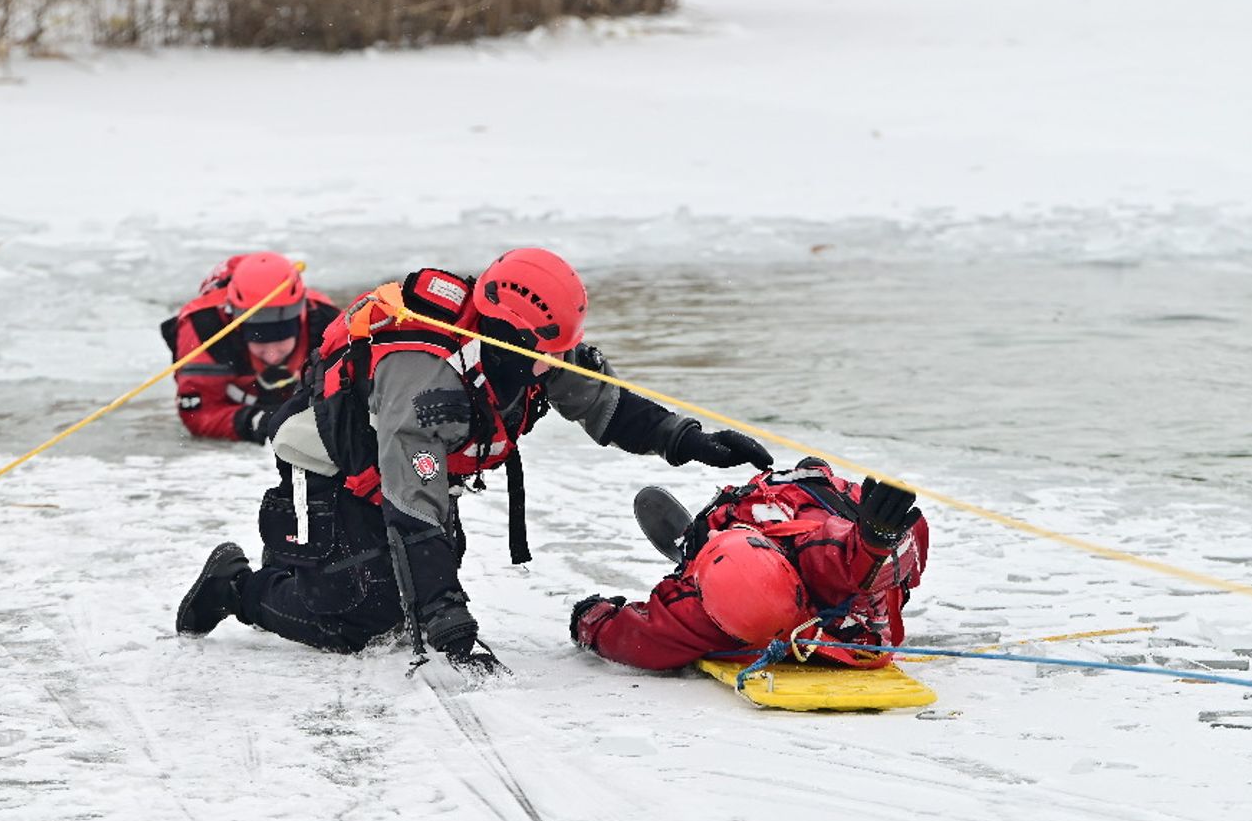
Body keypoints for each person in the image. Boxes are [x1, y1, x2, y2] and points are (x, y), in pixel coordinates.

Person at [175, 247, 774, 666]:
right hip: (331, 461)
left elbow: (605, 405)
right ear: (513, 337)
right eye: (551, 352)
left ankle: (385, 596)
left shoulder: (529, 352)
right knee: (357, 611)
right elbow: (415, 501)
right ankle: (234, 588)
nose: (559, 363)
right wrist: (447, 619)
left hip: (406, 464)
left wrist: (692, 441)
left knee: (408, 592)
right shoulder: (430, 383)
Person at [570, 458, 930, 670]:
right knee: (864, 555)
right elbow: (846, 555)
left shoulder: (695, 613)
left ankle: (694, 549)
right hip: (848, 618)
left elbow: (635, 637)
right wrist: (876, 542)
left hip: (811, 598)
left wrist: (591, 619)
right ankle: (702, 544)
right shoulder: (817, 552)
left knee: (849, 546)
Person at [162, 251, 340, 443]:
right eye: (259, 340)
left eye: (281, 340)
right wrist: (251, 421)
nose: (272, 356)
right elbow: (197, 414)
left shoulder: (327, 323)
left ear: (302, 319)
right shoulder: (204, 329)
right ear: (237, 326)